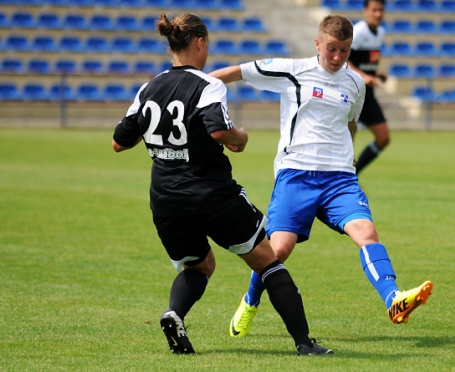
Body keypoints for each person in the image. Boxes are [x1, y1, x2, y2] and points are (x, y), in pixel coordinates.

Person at [111, 13, 331, 356]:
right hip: (211, 193)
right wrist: (239, 137)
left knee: (200, 265)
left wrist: (164, 142)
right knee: (268, 259)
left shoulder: (148, 88)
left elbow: (119, 142)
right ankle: (304, 343)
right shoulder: (208, 85)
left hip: (166, 198)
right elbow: (218, 130)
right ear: (200, 43)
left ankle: (174, 313)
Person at [209, 15, 432, 339]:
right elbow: (237, 72)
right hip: (296, 175)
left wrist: (347, 151)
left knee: (366, 231)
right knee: (277, 251)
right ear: (317, 44)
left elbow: (351, 123)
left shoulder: (355, 83)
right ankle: (250, 300)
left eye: (344, 50)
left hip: (339, 179)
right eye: (331, 49)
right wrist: (195, 86)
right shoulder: (293, 71)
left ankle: (393, 299)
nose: (338, 57)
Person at [346, 0, 390, 175]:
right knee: (347, 144)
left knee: (383, 138)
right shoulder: (358, 32)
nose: (378, 14)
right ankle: (340, 181)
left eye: (381, 10)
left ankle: (354, 175)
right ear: (365, 11)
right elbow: (346, 60)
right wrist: (364, 76)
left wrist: (377, 72)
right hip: (353, 93)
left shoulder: (379, 32)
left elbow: (363, 61)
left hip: (368, 94)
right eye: (374, 10)